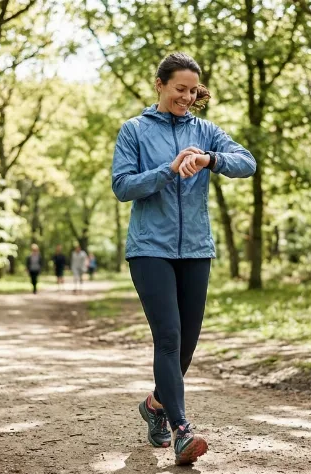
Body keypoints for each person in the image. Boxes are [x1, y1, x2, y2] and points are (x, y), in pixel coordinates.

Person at [111, 52, 256, 465]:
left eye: (193, 90)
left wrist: (212, 159)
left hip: (196, 249)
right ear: (159, 85)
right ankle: (181, 430)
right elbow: (122, 186)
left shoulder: (207, 131)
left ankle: (155, 405)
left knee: (187, 346)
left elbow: (248, 162)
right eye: (180, 89)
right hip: (149, 250)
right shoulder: (134, 130)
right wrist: (168, 170)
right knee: (169, 338)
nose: (187, 97)